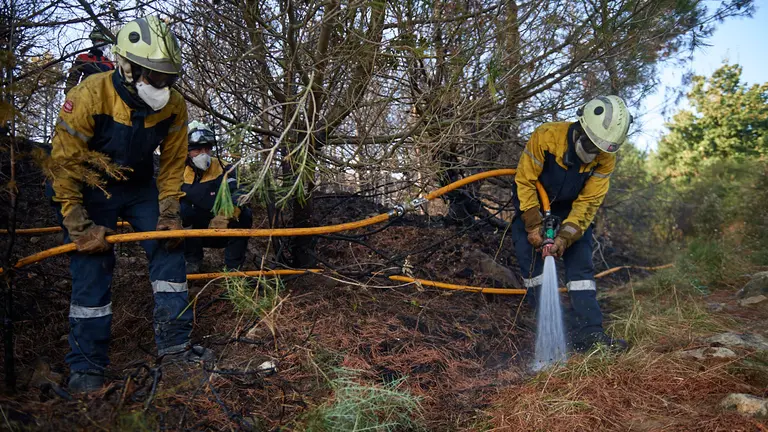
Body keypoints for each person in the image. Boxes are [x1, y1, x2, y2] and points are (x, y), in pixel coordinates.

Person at [49, 16, 212, 393]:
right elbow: (64, 164)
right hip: (92, 188)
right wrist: (78, 224)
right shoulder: (90, 95)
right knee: (92, 264)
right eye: (156, 77)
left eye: (169, 78)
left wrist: (170, 213)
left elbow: (172, 164)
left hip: (139, 185)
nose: (164, 86)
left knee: (169, 248)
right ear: (128, 66)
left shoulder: (174, 107)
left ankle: (174, 348)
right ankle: (87, 367)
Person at [512, 95, 632, 352]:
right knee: (532, 267)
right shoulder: (547, 136)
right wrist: (534, 226)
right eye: (590, 145)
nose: (592, 154)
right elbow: (524, 181)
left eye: (599, 150)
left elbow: (589, 201)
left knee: (581, 270)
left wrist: (565, 236)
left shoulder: (605, 158)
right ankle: (546, 329)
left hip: (572, 209)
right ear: (580, 128)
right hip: (533, 202)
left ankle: (590, 333)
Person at [181, 121, 252, 273]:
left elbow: (241, 192)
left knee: (245, 215)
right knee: (182, 211)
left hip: (221, 226)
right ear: (187, 151)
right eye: (198, 150)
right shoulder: (178, 172)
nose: (203, 154)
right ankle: (192, 262)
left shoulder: (224, 167)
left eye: (207, 149)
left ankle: (233, 270)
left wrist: (227, 214)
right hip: (193, 231)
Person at [64, 27, 115, 94]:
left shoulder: (109, 63)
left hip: (103, 97)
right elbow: (73, 78)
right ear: (94, 41)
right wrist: (70, 95)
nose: (102, 44)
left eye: (103, 42)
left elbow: (113, 83)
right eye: (99, 41)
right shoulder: (83, 57)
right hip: (85, 94)